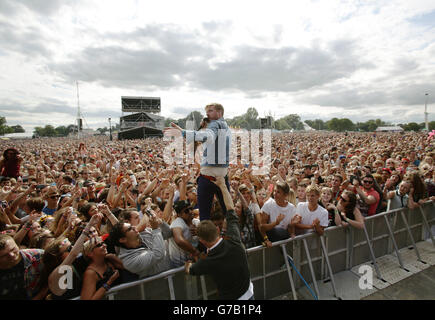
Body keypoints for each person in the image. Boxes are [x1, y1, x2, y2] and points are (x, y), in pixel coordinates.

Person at [184, 176, 254, 300]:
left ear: (202, 241)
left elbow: (191, 270)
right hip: (249, 293)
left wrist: (188, 263)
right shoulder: (234, 238)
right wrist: (222, 186)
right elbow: (230, 209)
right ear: (217, 229)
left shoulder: (208, 261)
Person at [164, 103, 231, 221]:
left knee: (204, 217)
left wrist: (183, 132)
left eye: (210, 111)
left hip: (208, 178)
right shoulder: (226, 126)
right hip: (222, 178)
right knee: (229, 213)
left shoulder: (215, 124)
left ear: (219, 112)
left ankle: (204, 238)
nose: (207, 114)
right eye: (207, 111)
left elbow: (207, 135)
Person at [109, 212, 172, 279]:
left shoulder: (144, 233)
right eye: (130, 229)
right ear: (122, 239)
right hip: (160, 285)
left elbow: (167, 234)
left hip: (172, 275)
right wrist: (155, 229)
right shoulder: (129, 261)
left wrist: (160, 222)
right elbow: (158, 255)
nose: (134, 227)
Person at [0, 234, 45, 299]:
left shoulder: (38, 256)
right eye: (4, 255)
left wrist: (41, 295)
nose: (12, 255)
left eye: (13, 249)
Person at [257, 181, 300, 247]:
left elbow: (290, 229)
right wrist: (266, 239)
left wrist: (292, 226)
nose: (275, 194)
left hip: (284, 241)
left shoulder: (291, 208)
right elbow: (262, 227)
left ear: (285, 195)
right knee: (278, 231)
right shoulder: (268, 204)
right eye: (275, 191)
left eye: (278, 192)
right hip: (271, 240)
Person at [168, 200, 200, 268]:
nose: (190, 212)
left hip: (193, 262)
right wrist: (195, 252)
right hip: (179, 266)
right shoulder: (177, 223)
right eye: (186, 211)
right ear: (179, 214)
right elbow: (179, 240)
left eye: (191, 208)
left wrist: (199, 232)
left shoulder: (197, 222)